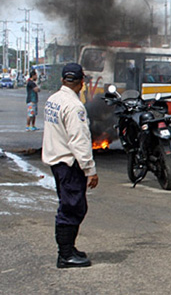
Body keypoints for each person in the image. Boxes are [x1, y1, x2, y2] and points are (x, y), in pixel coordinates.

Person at [42, 63, 99, 268]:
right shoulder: (74, 106)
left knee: (70, 204)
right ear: (81, 83)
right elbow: (79, 140)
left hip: (56, 160)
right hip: (69, 162)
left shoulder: (54, 99)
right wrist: (90, 169)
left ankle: (69, 249)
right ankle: (65, 255)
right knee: (72, 207)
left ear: (62, 80)